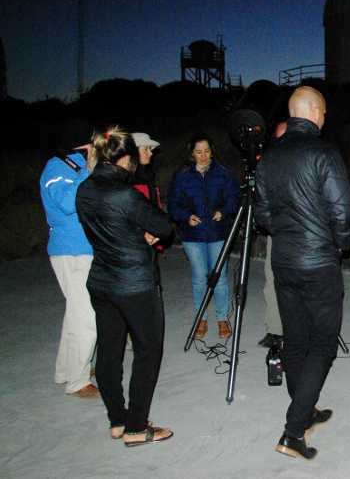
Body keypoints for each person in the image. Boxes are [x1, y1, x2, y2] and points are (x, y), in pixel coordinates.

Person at [255, 86, 350, 460]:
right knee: (324, 344)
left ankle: (306, 406)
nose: (325, 119)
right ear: (314, 112)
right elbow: (343, 209)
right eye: (325, 113)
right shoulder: (324, 152)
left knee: (295, 340)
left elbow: (263, 213)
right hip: (317, 262)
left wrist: (286, 235)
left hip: (283, 260)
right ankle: (293, 431)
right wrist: (338, 246)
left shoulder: (269, 157)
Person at [76, 125, 174, 446]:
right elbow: (163, 226)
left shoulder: (85, 189)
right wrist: (144, 233)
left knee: (108, 351)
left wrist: (135, 232)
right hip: (133, 284)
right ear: (126, 159)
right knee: (148, 351)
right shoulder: (125, 194)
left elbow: (109, 227)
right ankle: (136, 427)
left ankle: (117, 420)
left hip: (101, 281)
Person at [39, 123, 98, 398]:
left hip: (82, 249)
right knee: (87, 316)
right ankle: (77, 379)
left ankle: (66, 370)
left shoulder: (76, 169)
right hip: (70, 252)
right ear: (85, 146)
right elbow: (66, 203)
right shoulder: (57, 168)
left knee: (76, 313)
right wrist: (88, 171)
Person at [168, 133, 239, 340]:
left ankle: (222, 318)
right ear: (192, 153)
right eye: (199, 152)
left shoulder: (223, 173)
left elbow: (234, 198)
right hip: (193, 235)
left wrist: (224, 212)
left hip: (217, 233)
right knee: (200, 278)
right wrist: (185, 216)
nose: (203, 155)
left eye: (207, 151)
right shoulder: (182, 176)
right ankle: (201, 319)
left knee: (219, 278)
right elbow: (173, 204)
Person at [258, 121, 288, 349]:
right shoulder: (268, 164)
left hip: (302, 232)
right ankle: (275, 330)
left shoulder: (308, 158)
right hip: (276, 230)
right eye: (278, 137)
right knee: (272, 280)